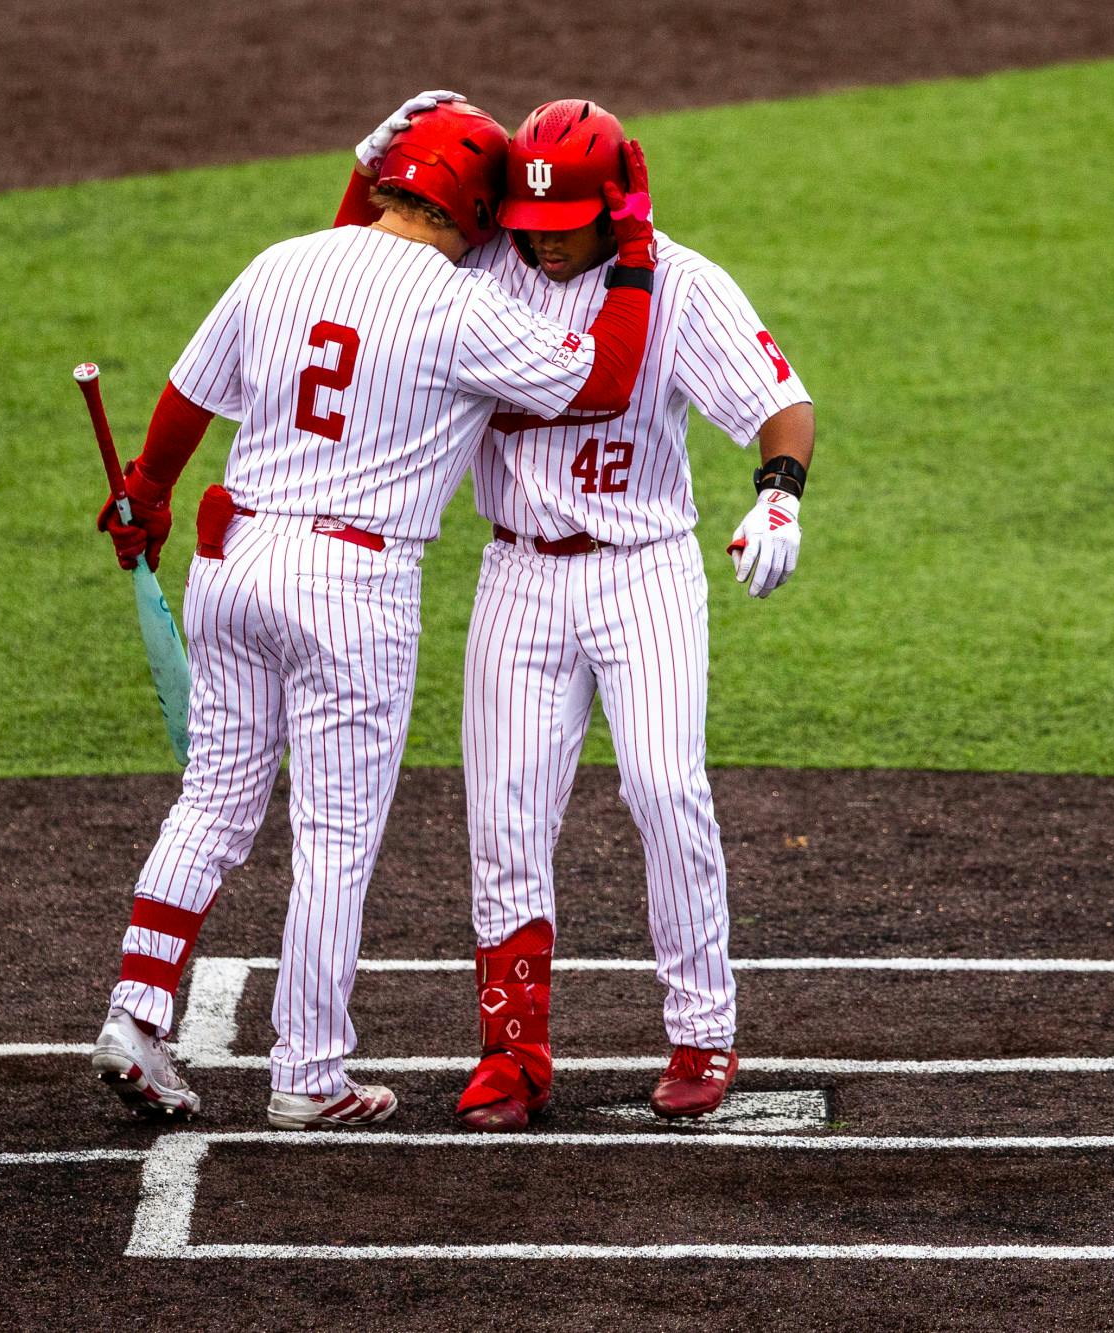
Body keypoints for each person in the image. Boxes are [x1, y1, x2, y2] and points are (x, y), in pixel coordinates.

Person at [85, 102, 659, 1129]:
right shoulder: (459, 310)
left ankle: (135, 1013)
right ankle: (306, 1072)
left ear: (385, 179)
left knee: (212, 803)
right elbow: (606, 379)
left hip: (234, 557)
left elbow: (184, 397)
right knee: (334, 838)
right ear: (477, 211)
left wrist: (150, 492)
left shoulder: (283, 262)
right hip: (350, 588)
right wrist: (633, 243)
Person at [339, 94, 816, 1128]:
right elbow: (354, 276)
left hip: (643, 567)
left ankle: (701, 1030)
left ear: (614, 209)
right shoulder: (473, 272)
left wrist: (776, 493)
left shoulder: (681, 286)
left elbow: (781, 401)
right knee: (504, 814)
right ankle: (511, 1055)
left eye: (564, 231)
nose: (544, 249)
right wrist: (366, 165)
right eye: (529, 228)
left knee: (661, 787)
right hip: (516, 572)